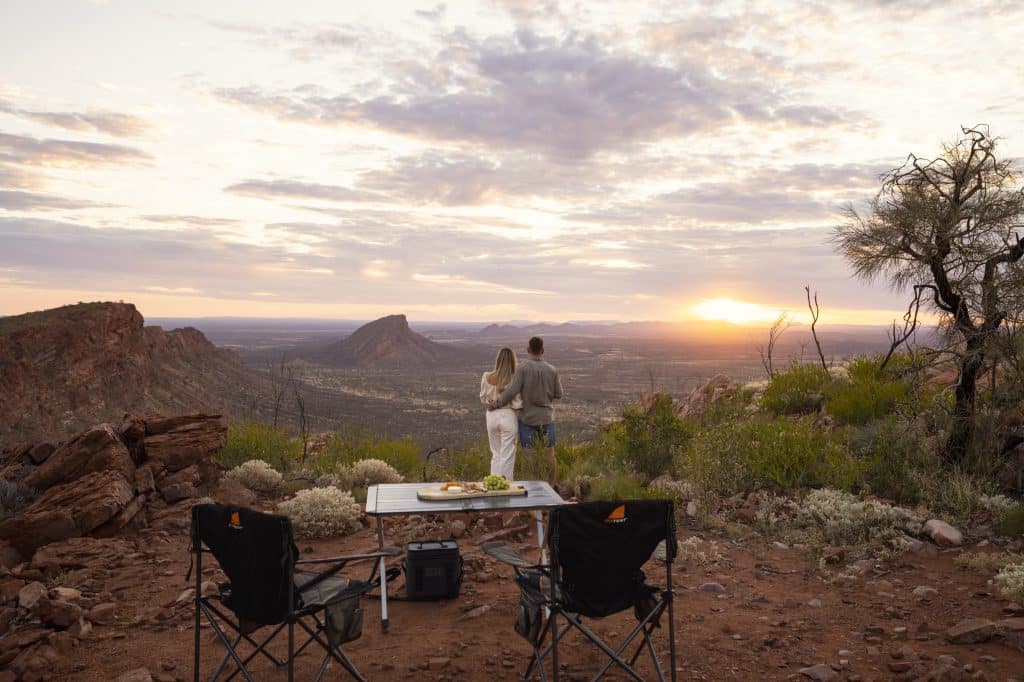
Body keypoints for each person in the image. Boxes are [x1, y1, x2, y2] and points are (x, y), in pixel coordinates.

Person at [489, 336, 562, 486]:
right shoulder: (552, 370)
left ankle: (534, 488)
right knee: (550, 457)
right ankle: (552, 486)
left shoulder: (523, 368)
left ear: (528, 350)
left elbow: (511, 391)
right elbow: (559, 394)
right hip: (547, 419)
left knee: (530, 458)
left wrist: (496, 403)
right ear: (542, 350)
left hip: (527, 420)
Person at [480, 347, 522, 480]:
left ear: (498, 360)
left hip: (491, 416)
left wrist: (492, 403)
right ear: (512, 361)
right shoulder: (515, 379)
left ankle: (493, 485)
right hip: (508, 416)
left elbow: (483, 398)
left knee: (496, 454)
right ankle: (506, 488)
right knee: (507, 455)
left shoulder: (486, 376)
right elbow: (519, 403)